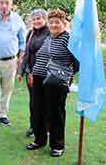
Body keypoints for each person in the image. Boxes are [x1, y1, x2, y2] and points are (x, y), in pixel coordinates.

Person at [26, 9, 78, 157]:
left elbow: (77, 62)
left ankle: (57, 145)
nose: (54, 25)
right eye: (51, 22)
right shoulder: (49, 38)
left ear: (64, 23)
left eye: (57, 22)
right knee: (38, 110)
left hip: (55, 81)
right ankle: (39, 139)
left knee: (55, 113)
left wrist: (66, 76)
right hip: (39, 79)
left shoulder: (68, 38)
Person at [17, 9, 50, 137]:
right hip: (30, 74)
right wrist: (21, 71)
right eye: (34, 19)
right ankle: (34, 126)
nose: (36, 21)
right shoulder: (30, 33)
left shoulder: (50, 33)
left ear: (45, 19)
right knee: (34, 102)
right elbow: (26, 54)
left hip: (45, 74)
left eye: (39, 18)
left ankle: (46, 127)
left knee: (45, 102)